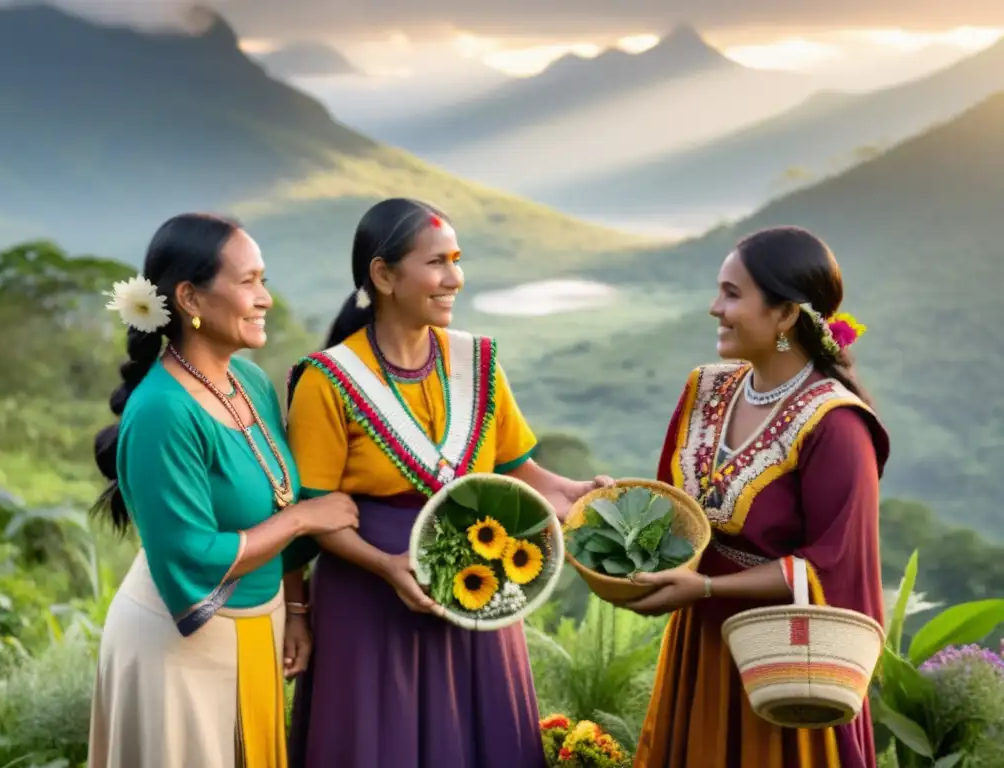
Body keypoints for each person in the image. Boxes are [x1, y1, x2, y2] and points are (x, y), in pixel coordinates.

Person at [283, 197, 612, 768]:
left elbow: (518, 471)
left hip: (476, 589)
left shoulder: (478, 363)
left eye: (457, 260)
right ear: (383, 275)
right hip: (371, 602)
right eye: (437, 262)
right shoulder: (327, 382)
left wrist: (574, 493)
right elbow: (313, 515)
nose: (454, 278)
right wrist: (384, 565)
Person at [86, 213, 359, 768]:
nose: (266, 299)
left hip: (261, 629)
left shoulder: (250, 381)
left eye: (264, 279)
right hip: (178, 649)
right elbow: (192, 554)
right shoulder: (163, 410)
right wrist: (306, 520)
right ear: (190, 297)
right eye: (249, 281)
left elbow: (279, 494)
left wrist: (297, 608)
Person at [618, 226, 889, 768]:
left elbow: (832, 566)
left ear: (786, 315)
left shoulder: (836, 426)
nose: (715, 308)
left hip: (788, 658)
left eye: (733, 294)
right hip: (701, 644)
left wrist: (709, 586)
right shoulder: (706, 390)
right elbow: (678, 510)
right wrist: (616, 513)